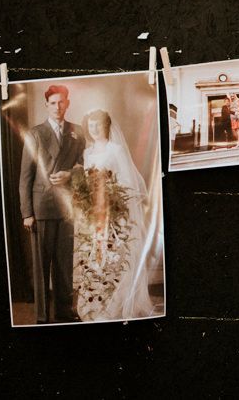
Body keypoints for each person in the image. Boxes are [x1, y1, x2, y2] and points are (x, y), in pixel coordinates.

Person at [73, 109, 154, 321]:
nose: (95, 129)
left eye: (98, 125)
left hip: (114, 213)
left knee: (114, 259)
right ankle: (98, 307)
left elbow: (127, 183)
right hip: (94, 216)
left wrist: (111, 199)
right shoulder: (88, 152)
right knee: (96, 260)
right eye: (91, 126)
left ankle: (116, 306)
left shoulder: (116, 150)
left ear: (106, 126)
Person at [19, 85, 85, 324]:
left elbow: (83, 165)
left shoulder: (76, 132)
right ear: (46, 105)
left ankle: (64, 312)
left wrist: (70, 174)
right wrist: (27, 212)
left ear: (67, 103)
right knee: (41, 265)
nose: (58, 107)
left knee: (64, 263)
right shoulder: (35, 133)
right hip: (42, 207)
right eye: (53, 103)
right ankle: (42, 316)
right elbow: (25, 177)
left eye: (61, 102)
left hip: (67, 207)